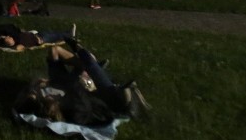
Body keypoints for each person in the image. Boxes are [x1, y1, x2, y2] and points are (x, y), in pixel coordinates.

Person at [13, 38, 150, 125]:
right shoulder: (77, 112)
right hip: (88, 88)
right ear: (56, 107)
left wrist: (39, 87)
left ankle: (88, 62)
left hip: (62, 82)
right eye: (50, 99)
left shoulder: (39, 101)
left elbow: (23, 101)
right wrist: (85, 80)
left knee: (54, 50)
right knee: (90, 64)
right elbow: (82, 91)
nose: (46, 96)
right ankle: (85, 56)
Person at [0, 23, 76, 51]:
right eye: (7, 38)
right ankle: (69, 35)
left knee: (54, 33)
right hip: (40, 40)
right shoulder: (18, 44)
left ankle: (67, 33)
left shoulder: (16, 36)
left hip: (37, 34)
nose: (9, 36)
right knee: (53, 36)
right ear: (9, 43)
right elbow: (18, 49)